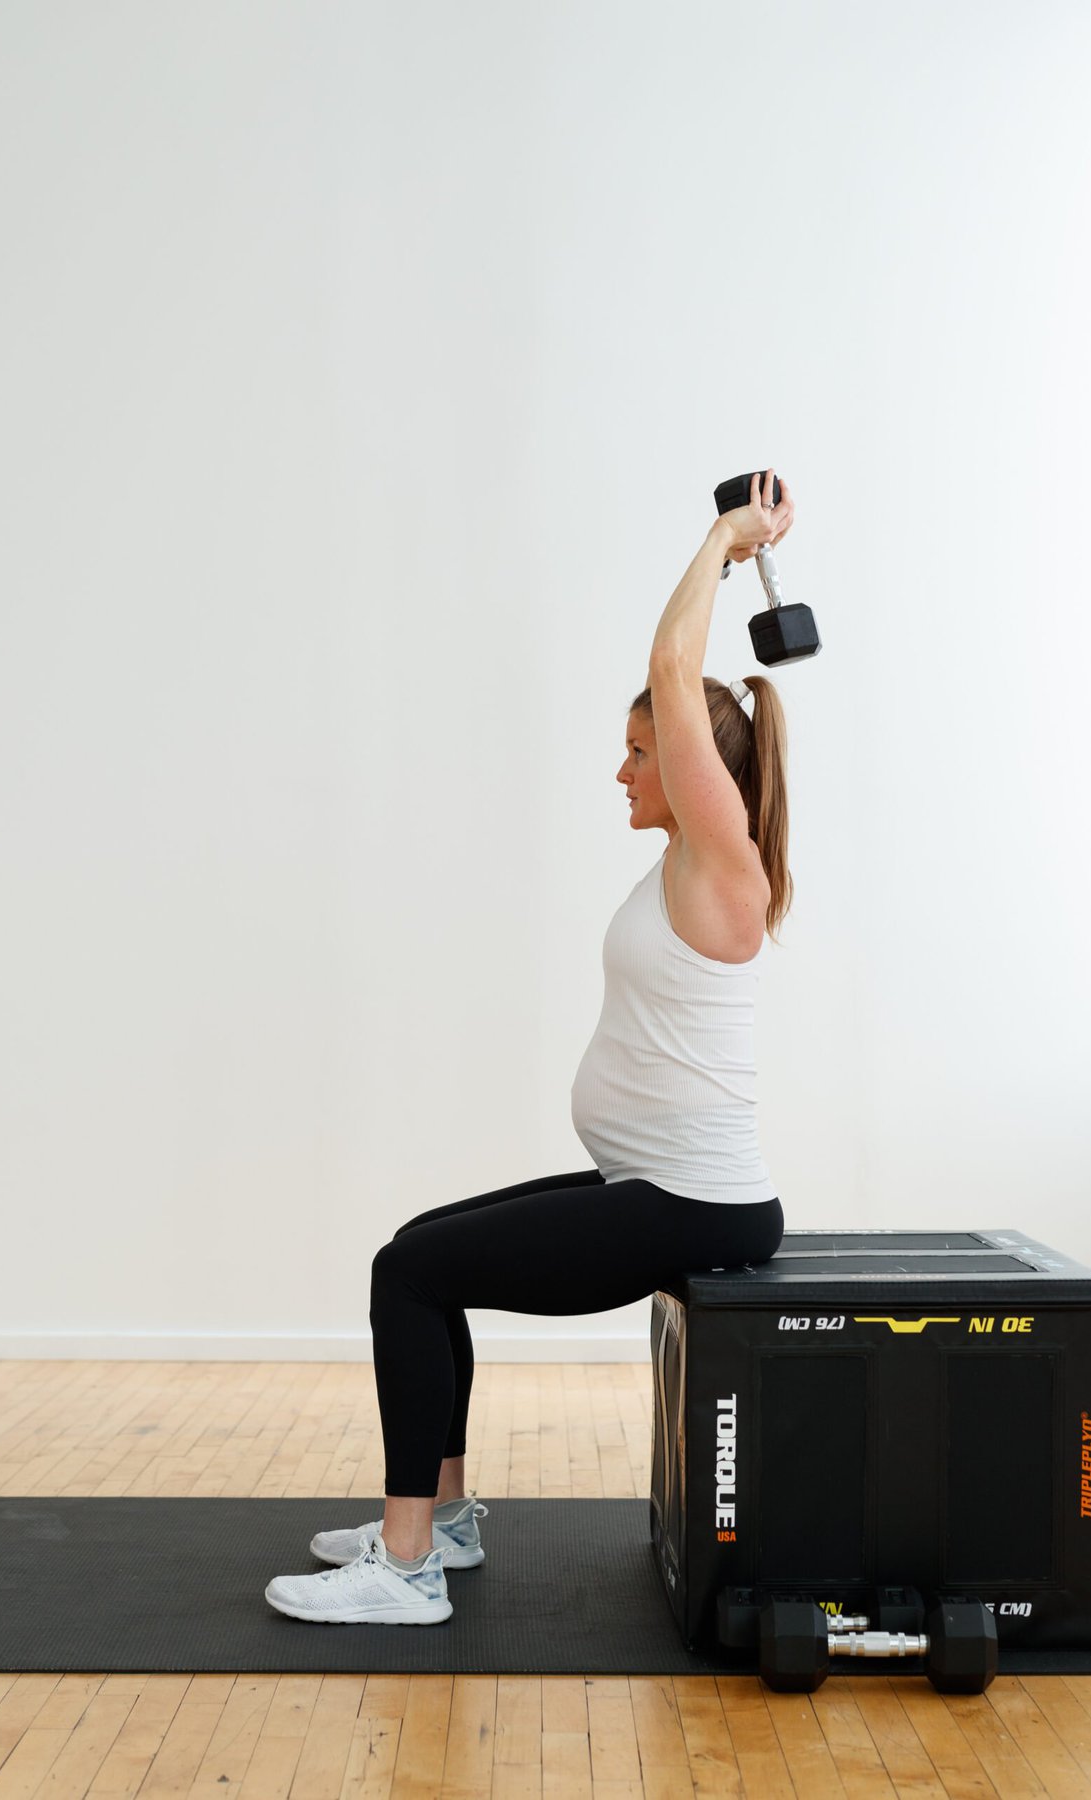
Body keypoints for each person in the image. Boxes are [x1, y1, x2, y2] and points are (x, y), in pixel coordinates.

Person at [265, 471, 796, 1625]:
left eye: (637, 753)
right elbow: (668, 700)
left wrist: (725, 538)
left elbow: (671, 671)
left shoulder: (724, 862)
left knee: (408, 1278)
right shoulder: (687, 866)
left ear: (693, 769)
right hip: (654, 1186)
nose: (621, 770)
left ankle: (405, 1571)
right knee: (417, 1255)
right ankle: (441, 1526)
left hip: (691, 1203)